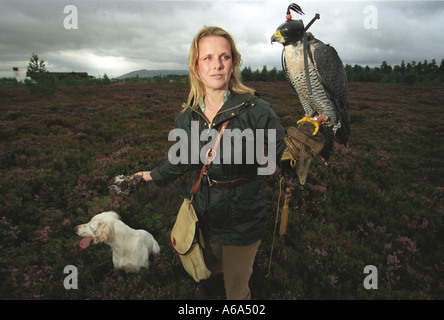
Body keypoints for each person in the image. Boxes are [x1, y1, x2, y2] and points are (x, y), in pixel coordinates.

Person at [135, 26, 290, 300]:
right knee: (209, 274)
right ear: (196, 66)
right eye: (208, 58)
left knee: (236, 291)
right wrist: (151, 175)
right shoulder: (187, 117)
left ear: (234, 62)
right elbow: (182, 160)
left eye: (224, 57)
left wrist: (285, 159)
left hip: (243, 218)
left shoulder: (257, 110)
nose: (217, 65)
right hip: (202, 215)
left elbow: (285, 153)